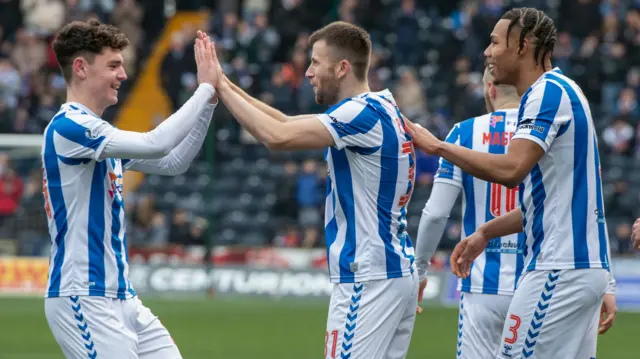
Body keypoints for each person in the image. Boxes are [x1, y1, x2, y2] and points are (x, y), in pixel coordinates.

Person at [407, 7, 616, 359]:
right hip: (579, 269)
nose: (487, 52)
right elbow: (553, 199)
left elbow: (511, 169)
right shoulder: (566, 90)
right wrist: (486, 233)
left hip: (557, 268)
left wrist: (440, 146)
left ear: (523, 45)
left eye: (493, 42)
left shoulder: (546, 93)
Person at [200, 22, 418, 359]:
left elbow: (277, 137)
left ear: (342, 68)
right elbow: (285, 122)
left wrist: (219, 87)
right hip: (393, 270)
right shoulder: (384, 107)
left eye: (316, 62)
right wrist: (224, 81)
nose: (307, 72)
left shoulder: (358, 113)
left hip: (366, 275)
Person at [42, 20, 218, 359]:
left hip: (121, 296)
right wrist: (205, 90)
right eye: (113, 65)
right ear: (81, 68)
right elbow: (157, 143)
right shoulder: (70, 127)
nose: (123, 74)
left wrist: (208, 104)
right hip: (84, 295)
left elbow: (173, 162)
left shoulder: (97, 134)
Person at [415, 67, 524, 359]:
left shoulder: (464, 132)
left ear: (489, 89)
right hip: (536, 281)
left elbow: (436, 213)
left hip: (481, 284)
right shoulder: (545, 131)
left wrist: (420, 270)